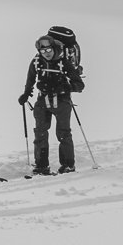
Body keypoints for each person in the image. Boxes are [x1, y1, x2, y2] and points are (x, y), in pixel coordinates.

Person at [19, 33, 86, 174]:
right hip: (42, 101)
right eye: (43, 51)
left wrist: (65, 88)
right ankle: (41, 166)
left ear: (54, 48)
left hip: (62, 102)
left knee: (63, 134)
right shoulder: (37, 61)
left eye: (48, 50)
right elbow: (30, 78)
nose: (46, 53)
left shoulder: (64, 62)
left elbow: (79, 85)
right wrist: (26, 94)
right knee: (40, 134)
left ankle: (68, 165)